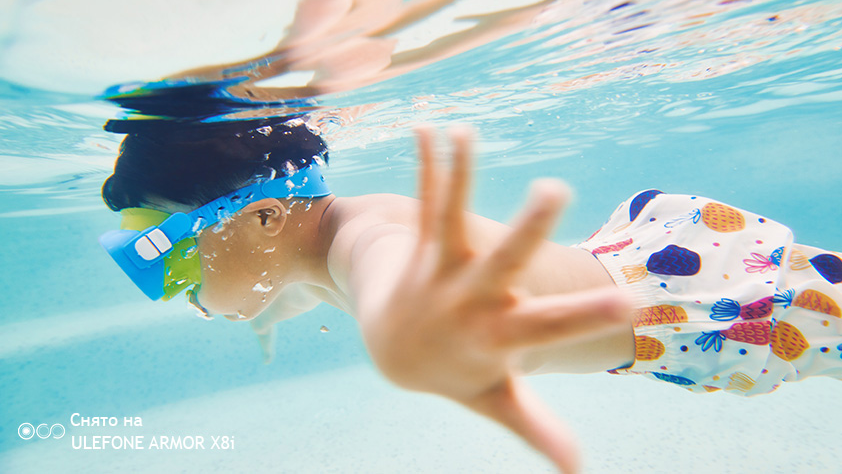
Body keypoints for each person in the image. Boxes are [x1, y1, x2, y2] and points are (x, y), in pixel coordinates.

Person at [99, 117, 841, 473]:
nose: (168, 284)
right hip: (645, 263)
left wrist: (414, 330)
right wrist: (263, 314)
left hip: (708, 304)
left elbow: (394, 273)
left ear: (263, 218)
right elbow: (296, 288)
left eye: (168, 254)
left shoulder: (367, 241)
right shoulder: (303, 250)